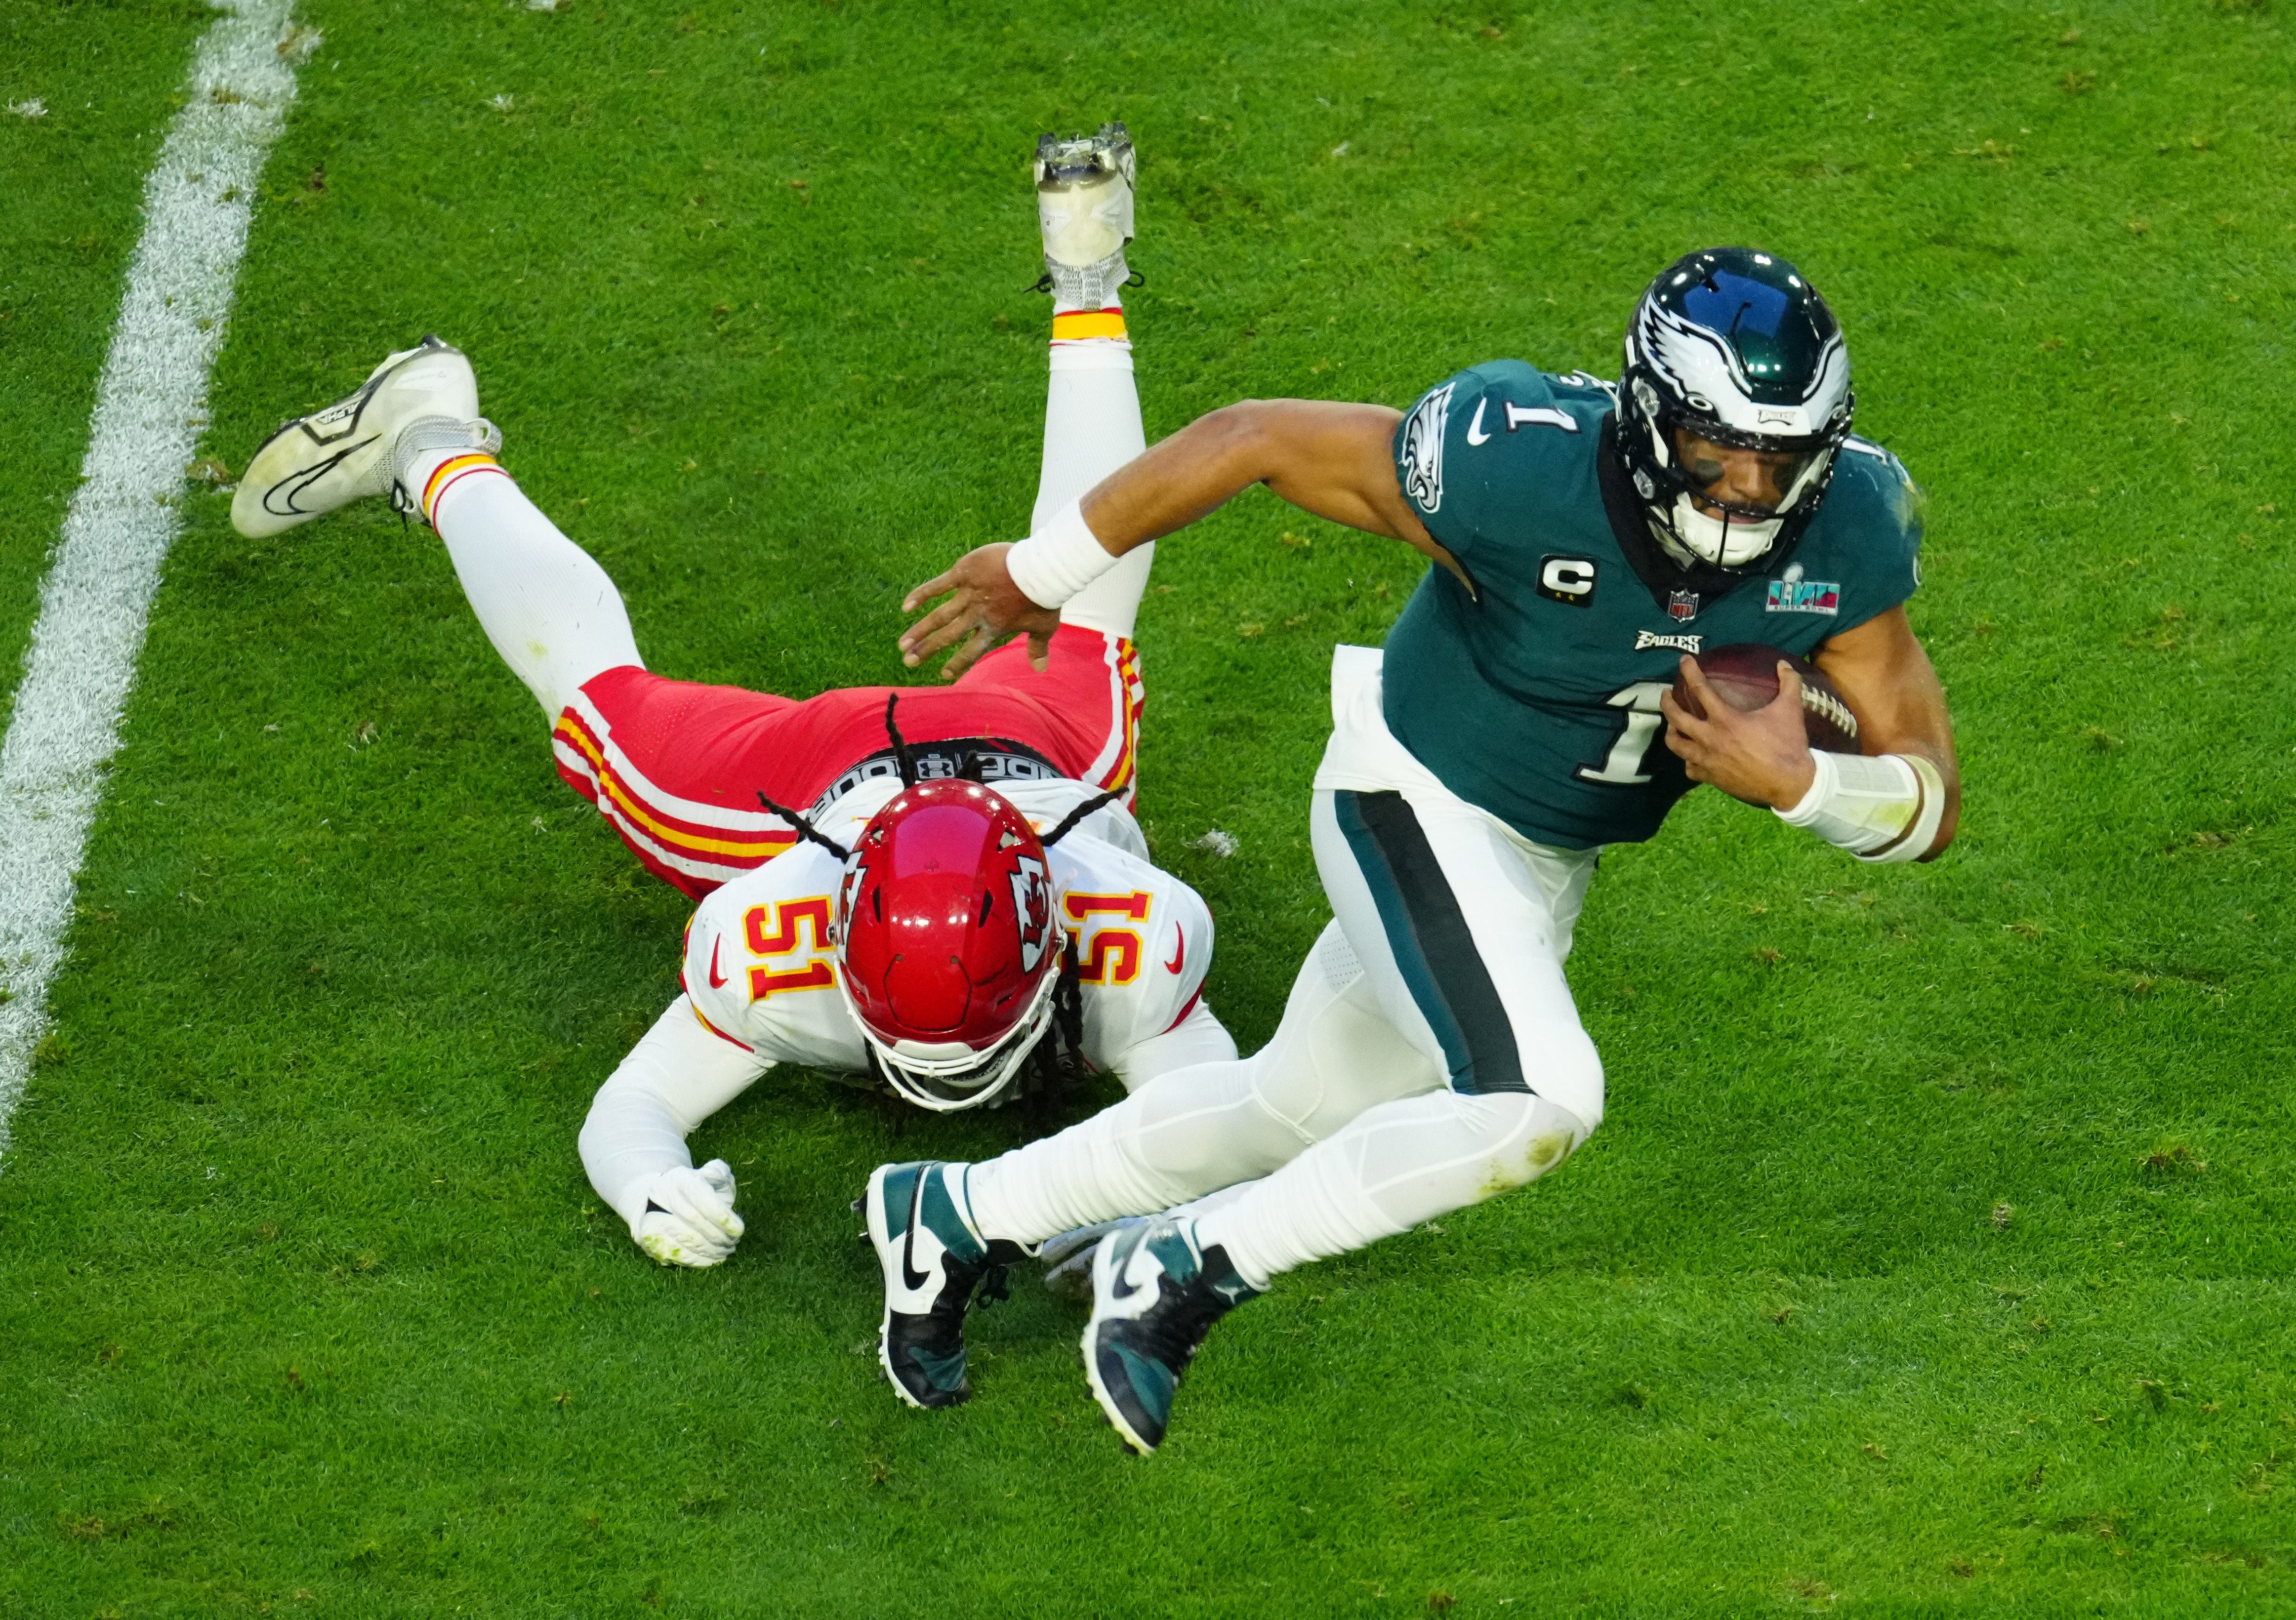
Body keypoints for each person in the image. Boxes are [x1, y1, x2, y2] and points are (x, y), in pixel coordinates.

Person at [870, 245, 1963, 1452]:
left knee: (1289, 1110)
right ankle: (1187, 1264)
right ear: (1651, 420)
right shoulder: (1519, 462)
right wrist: (1040, 573)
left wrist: (1803, 783)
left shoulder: (1848, 525)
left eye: (1780, 459)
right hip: (1409, 792)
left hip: (1539, 861)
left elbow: (1926, 790)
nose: (1748, 491)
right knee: (1537, 1101)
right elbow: (1252, 437)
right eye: (1716, 452)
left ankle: (956, 1209)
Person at [229, 127, 1236, 1362]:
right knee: (1081, 603)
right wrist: (647, 1181)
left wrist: (1153, 1207)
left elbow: (1213, 1123)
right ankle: (426, 442)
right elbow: (634, 1110)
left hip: (1017, 764)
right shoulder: (800, 937)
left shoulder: (1114, 930)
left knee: (615, 692)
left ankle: (444, 444)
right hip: (837, 783)